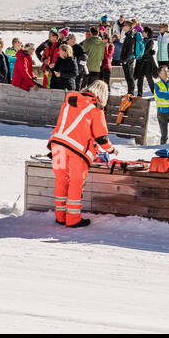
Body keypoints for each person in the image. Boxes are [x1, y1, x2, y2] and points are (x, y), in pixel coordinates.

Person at [48, 80, 116, 227]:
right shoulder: (96, 107)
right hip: (76, 149)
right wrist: (111, 150)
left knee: (61, 179)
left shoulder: (70, 100)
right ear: (103, 95)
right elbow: (101, 136)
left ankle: (60, 217)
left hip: (57, 144)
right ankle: (72, 219)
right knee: (76, 182)